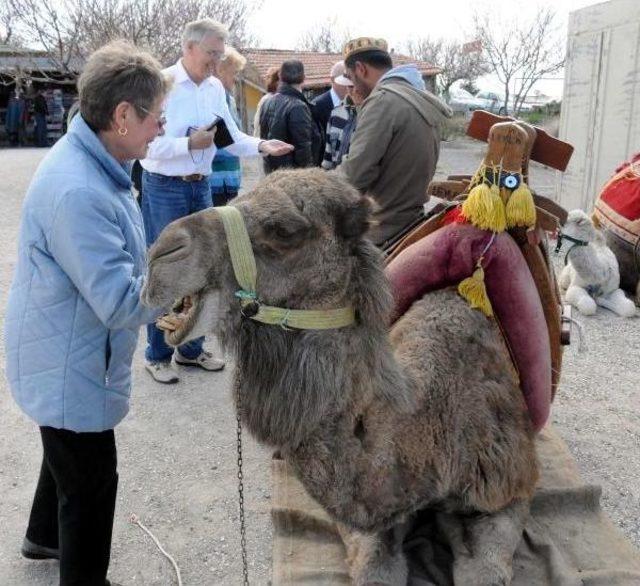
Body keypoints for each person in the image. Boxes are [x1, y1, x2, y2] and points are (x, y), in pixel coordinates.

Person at [3, 41, 168, 586]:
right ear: (122, 116)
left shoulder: (94, 158)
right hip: (72, 362)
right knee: (91, 484)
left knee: (65, 454)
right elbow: (122, 301)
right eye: (155, 119)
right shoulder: (78, 190)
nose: (159, 131)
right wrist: (187, 287)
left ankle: (42, 536)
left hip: (61, 346)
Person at [140, 18, 292, 384]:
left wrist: (260, 145)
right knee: (166, 268)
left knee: (206, 268)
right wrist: (187, 145)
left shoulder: (213, 88)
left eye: (220, 53)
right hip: (164, 186)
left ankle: (190, 349)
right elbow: (145, 145)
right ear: (189, 48)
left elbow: (228, 135)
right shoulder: (159, 84)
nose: (216, 60)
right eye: (211, 53)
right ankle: (157, 354)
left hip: (201, 186)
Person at [339, 37, 453, 248]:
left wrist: (313, 186)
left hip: (382, 229)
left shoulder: (382, 101)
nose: (351, 86)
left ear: (360, 69)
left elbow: (354, 175)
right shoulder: (417, 96)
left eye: (350, 77)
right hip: (410, 220)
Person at [259, 59, 322, 174]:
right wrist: (311, 176)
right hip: (293, 179)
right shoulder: (298, 106)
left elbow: (263, 139)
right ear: (304, 78)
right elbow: (303, 150)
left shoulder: (267, 102)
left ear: (280, 76)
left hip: (271, 174)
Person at [209, 46, 246, 206]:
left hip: (230, 178)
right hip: (214, 181)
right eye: (234, 72)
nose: (236, 78)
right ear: (219, 71)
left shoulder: (229, 99)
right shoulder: (208, 99)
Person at [321, 79, 365, 170]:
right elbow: (328, 157)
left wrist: (360, 108)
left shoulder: (373, 116)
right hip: (336, 180)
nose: (355, 90)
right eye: (350, 86)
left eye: (359, 85)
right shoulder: (336, 113)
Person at [312, 60, 351, 135]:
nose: (349, 83)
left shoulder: (355, 102)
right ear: (333, 79)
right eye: (345, 78)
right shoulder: (317, 106)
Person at [253, 66, 279, 137]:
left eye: (268, 77)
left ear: (277, 81)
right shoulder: (265, 99)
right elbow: (258, 125)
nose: (266, 80)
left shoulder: (267, 100)